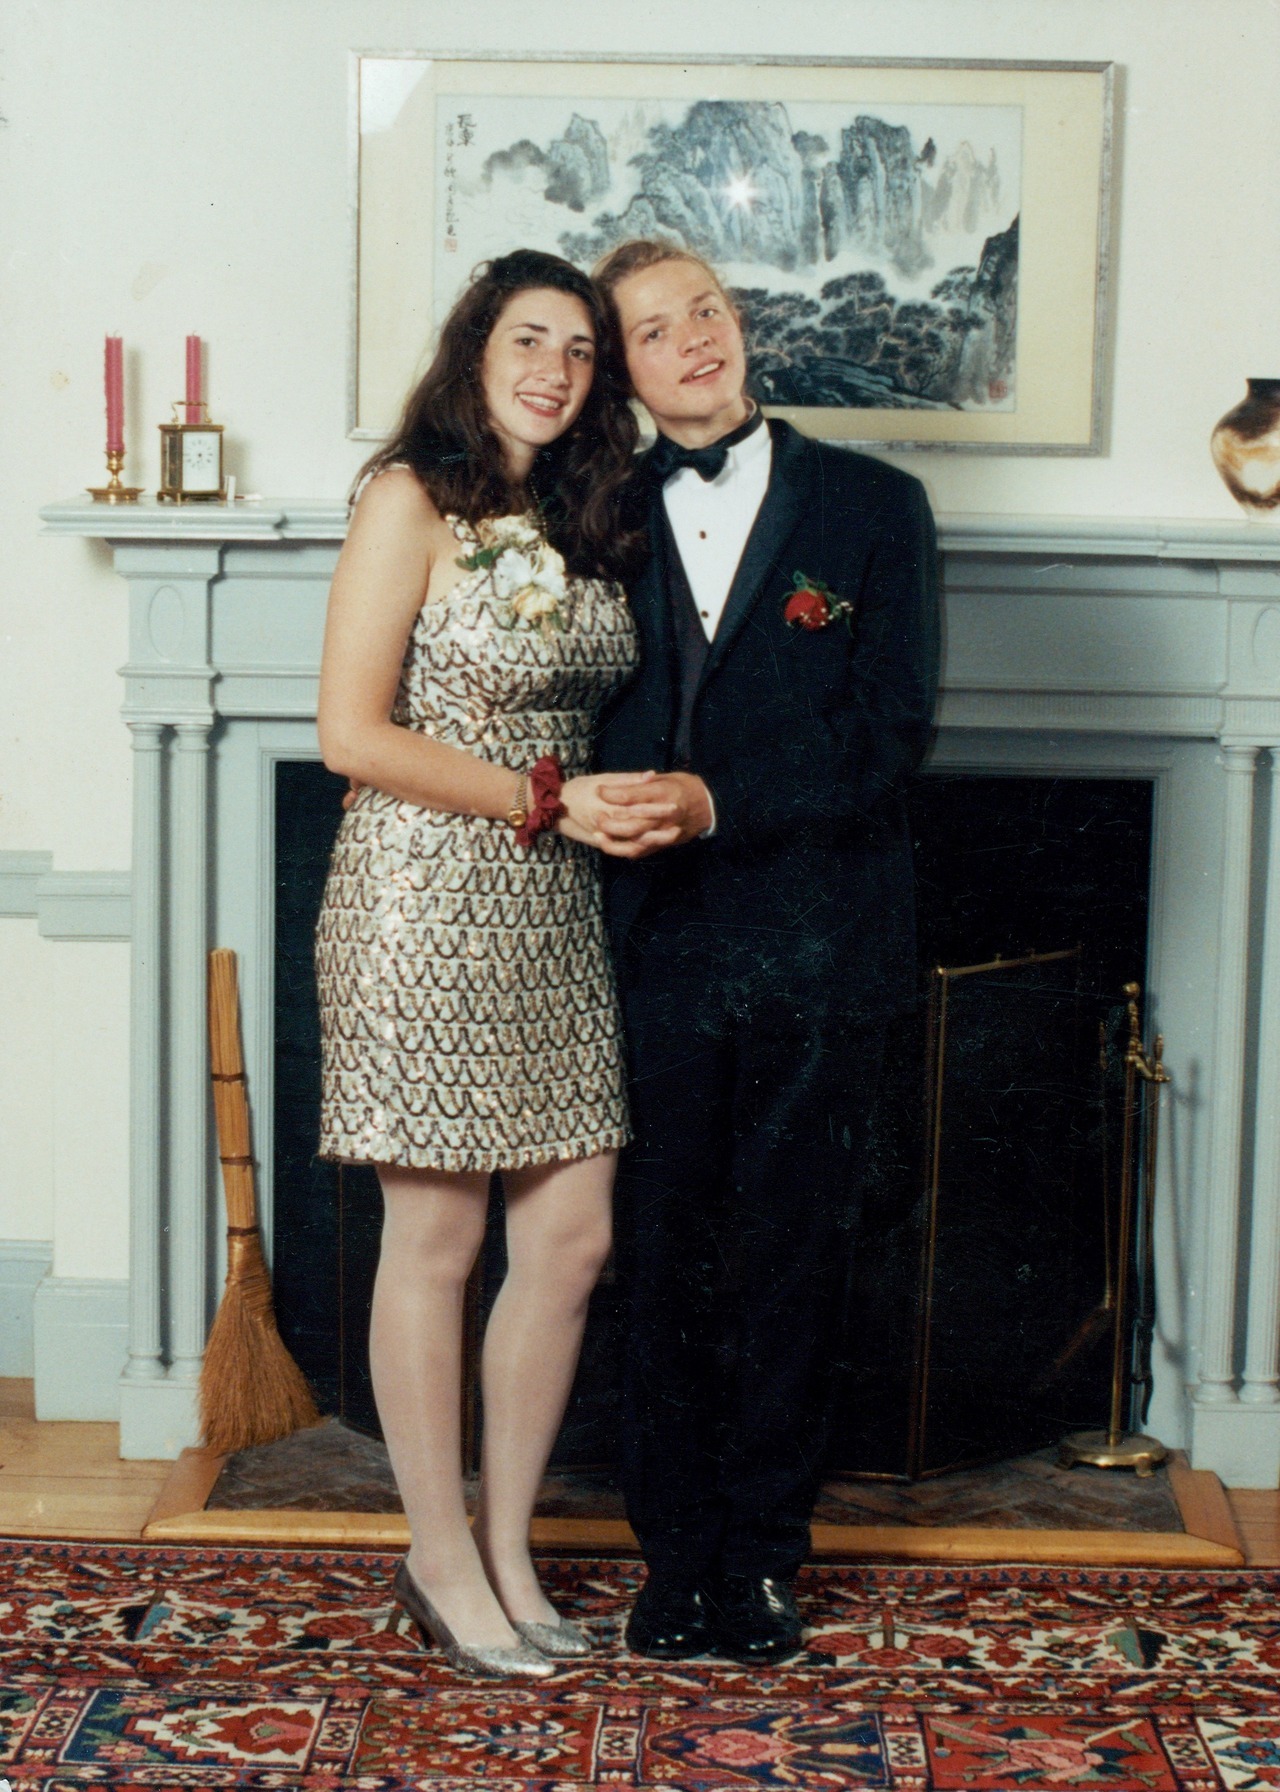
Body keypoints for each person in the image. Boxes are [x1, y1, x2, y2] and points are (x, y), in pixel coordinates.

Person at [313, 249, 669, 1680]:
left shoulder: (589, 513)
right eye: (530, 340)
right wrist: (544, 798)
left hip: (555, 900)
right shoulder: (409, 496)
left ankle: (509, 1548)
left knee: (571, 1236)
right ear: (476, 350)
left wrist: (603, 804)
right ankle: (439, 1555)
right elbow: (351, 734)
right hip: (422, 895)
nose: (554, 370)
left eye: (580, 351)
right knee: (440, 1240)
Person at [590, 239, 941, 1664]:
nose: (696, 339)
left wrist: (716, 801)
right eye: (655, 329)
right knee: (657, 1254)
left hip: (818, 942)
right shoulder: (590, 512)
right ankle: (674, 1560)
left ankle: (764, 1562)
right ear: (622, 369)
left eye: (709, 311)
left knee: (798, 1258)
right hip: (646, 942)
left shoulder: (874, 504)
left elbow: (892, 730)